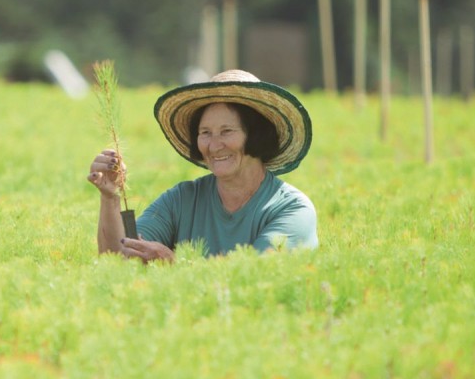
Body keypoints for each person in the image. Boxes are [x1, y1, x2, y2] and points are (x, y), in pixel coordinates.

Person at [88, 70, 318, 263]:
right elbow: (121, 259)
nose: (214, 145)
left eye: (226, 131)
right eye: (205, 133)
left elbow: (254, 277)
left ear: (257, 136)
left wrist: (173, 263)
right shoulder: (181, 200)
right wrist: (111, 197)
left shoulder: (292, 210)